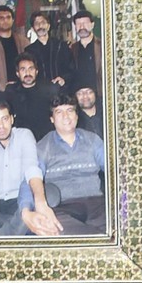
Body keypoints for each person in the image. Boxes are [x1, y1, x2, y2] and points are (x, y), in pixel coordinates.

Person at [0, 96, 61, 237]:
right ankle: (22, 224)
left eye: (4, 119)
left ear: (12, 119)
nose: (1, 126)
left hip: (21, 202)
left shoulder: (24, 135)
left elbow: (32, 170)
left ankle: (3, 233)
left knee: (51, 193)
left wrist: (40, 202)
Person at [35, 93, 106, 234]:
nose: (66, 116)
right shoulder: (43, 146)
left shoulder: (93, 140)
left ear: (77, 115)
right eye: (59, 112)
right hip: (63, 207)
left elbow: (113, 169)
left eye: (70, 110)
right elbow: (33, 178)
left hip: (97, 203)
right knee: (57, 227)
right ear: (52, 119)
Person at [60, 12, 102, 98]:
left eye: (85, 23)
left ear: (92, 25)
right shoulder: (72, 49)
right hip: (78, 97)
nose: (81, 27)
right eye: (78, 24)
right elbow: (70, 73)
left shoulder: (103, 46)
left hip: (99, 94)